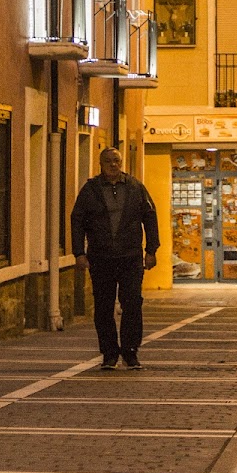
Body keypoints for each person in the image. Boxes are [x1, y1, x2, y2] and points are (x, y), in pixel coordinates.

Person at [71, 147, 159, 370]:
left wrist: (151, 250)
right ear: (100, 164)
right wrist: (79, 253)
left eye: (116, 161)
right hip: (101, 257)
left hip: (130, 257)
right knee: (103, 306)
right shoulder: (91, 190)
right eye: (108, 161)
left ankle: (130, 352)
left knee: (132, 304)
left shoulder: (135, 188)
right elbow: (77, 220)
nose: (113, 165)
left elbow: (150, 216)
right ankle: (109, 353)